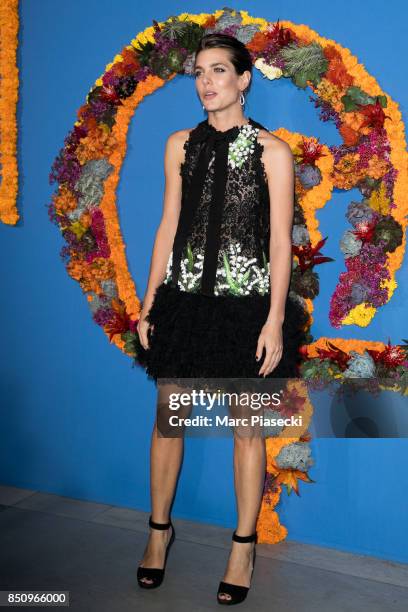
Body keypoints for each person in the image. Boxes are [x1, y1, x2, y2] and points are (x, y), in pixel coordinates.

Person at [134, 33, 309, 605]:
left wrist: (274, 320)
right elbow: (167, 226)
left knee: (246, 429)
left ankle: (243, 545)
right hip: (184, 300)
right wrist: (150, 298)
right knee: (169, 421)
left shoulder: (272, 153)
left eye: (218, 71)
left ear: (243, 79)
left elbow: (281, 244)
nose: (206, 82)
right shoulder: (179, 144)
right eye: (199, 72)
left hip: (247, 306)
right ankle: (158, 535)